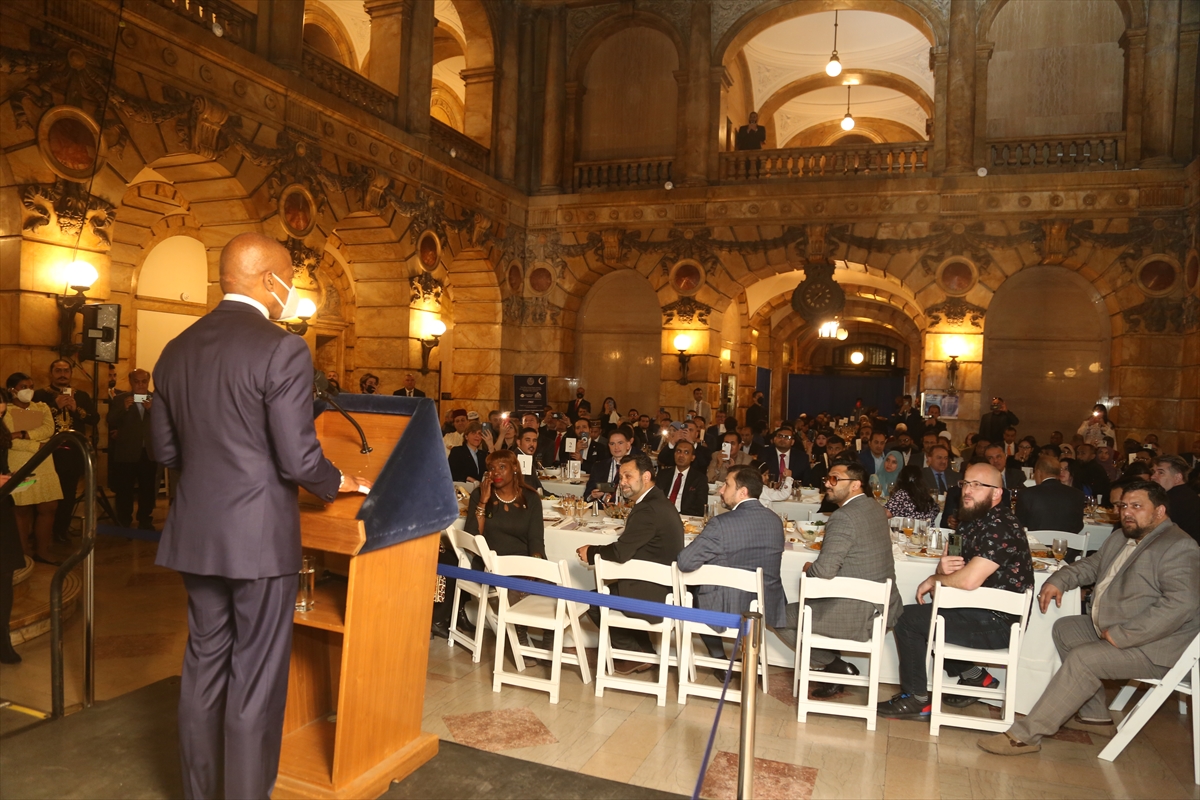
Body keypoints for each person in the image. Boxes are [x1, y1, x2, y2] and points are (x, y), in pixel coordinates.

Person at [150, 233, 367, 799]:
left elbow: (166, 452)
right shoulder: (282, 349)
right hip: (259, 542)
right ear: (269, 280)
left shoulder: (175, 349)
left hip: (195, 535)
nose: (290, 291)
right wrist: (337, 481)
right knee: (254, 680)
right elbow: (298, 457)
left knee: (202, 668)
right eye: (289, 278)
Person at [978, 480, 1200, 755]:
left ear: (1159, 511)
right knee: (1066, 628)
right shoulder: (1123, 536)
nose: (1127, 513)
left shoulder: (1178, 546)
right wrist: (1059, 580)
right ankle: (1095, 715)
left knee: (1085, 659)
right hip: (1118, 627)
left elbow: (1181, 605)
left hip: (1159, 648)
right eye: (1123, 506)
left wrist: (1125, 634)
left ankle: (1026, 735)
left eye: (1137, 506)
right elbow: (1092, 566)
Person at [879, 463, 1034, 721]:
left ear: (997, 493)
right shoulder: (967, 520)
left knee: (908, 620)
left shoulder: (1002, 525)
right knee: (926, 615)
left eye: (977, 485)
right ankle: (977, 678)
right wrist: (942, 567)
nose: (967, 491)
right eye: (965, 484)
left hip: (1000, 622)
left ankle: (916, 700)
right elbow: (952, 558)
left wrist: (934, 578)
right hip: (975, 610)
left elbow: (970, 579)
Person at [779, 461, 903, 697]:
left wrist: (809, 568)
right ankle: (836, 668)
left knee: (776, 616)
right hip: (884, 607)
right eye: (827, 478)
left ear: (855, 485)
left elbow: (824, 571)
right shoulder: (875, 508)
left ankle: (835, 666)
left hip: (855, 614)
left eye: (835, 479)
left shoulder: (843, 517)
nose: (827, 483)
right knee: (815, 606)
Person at [577, 453, 684, 672]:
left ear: (645, 476)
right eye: (620, 476)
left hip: (655, 594)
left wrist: (591, 552)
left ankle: (634, 655)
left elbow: (621, 552)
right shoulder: (657, 500)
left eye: (628, 476)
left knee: (593, 601)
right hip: (661, 586)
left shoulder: (647, 509)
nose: (622, 482)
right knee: (609, 590)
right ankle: (644, 654)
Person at [677, 465, 787, 672]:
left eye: (727, 484)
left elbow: (685, 561)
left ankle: (718, 659)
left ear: (742, 492)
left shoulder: (721, 524)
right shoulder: (775, 521)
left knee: (691, 591)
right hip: (764, 604)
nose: (720, 490)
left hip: (729, 606)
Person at [34, 359, 99, 543]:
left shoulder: (82, 396)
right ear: (51, 373)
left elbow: (94, 419)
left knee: (68, 494)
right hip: (47, 454)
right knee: (44, 496)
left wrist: (76, 409)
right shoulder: (40, 395)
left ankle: (61, 531)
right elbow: (32, 422)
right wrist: (55, 407)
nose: (62, 374)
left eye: (66, 371)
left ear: (71, 373)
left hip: (72, 455)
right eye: (58, 370)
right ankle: (40, 533)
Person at [4, 372, 62, 565]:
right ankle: (24, 553)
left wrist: (23, 433)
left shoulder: (42, 407)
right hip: (19, 462)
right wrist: (35, 445)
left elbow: (48, 430)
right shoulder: (6, 410)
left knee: (49, 507)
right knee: (22, 510)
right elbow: (7, 439)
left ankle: (43, 550)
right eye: (23, 387)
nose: (28, 390)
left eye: (31, 386)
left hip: (44, 462)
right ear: (12, 390)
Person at [465, 450, 545, 560]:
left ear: (515, 468)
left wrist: (536, 565)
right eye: (492, 468)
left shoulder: (531, 498)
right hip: (488, 564)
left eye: (502, 467)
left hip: (522, 563)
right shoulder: (479, 494)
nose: (496, 472)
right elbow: (472, 540)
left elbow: (536, 539)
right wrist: (483, 502)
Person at [107, 369, 159, 530]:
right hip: (126, 452)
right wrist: (123, 408)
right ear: (131, 382)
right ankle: (124, 520)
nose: (140, 385)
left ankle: (145, 519)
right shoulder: (120, 399)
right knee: (124, 489)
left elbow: (166, 422)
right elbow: (110, 420)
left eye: (144, 381)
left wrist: (152, 410)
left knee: (148, 489)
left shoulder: (157, 399)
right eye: (137, 381)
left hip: (149, 452)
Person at [0, 389, 26, 663]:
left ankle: (2, 638)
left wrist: (10, 477)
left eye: (3, 412)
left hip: (1, 506)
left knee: (5, 576)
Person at [1014, 455, 1085, 534]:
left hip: (1035, 544)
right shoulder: (1077, 495)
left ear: (1038, 472)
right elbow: (1078, 526)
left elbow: (1019, 524)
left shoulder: (1026, 494)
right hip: (1065, 544)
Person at [1151, 455, 1200, 545]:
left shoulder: (1172, 500)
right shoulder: (1186, 494)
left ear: (1177, 478)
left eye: (1160, 473)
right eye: (1153, 472)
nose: (1153, 477)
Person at [655, 440, 708, 517]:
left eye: (686, 452)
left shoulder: (699, 479)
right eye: (678, 451)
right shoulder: (663, 474)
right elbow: (654, 498)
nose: (681, 455)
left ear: (692, 458)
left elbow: (700, 508)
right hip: (661, 515)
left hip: (684, 517)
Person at [584, 425, 632, 504]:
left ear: (628, 445)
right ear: (608, 446)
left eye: (620, 443)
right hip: (603, 510)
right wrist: (592, 496)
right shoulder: (599, 466)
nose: (616, 447)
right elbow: (587, 496)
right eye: (612, 444)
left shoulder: (637, 467)